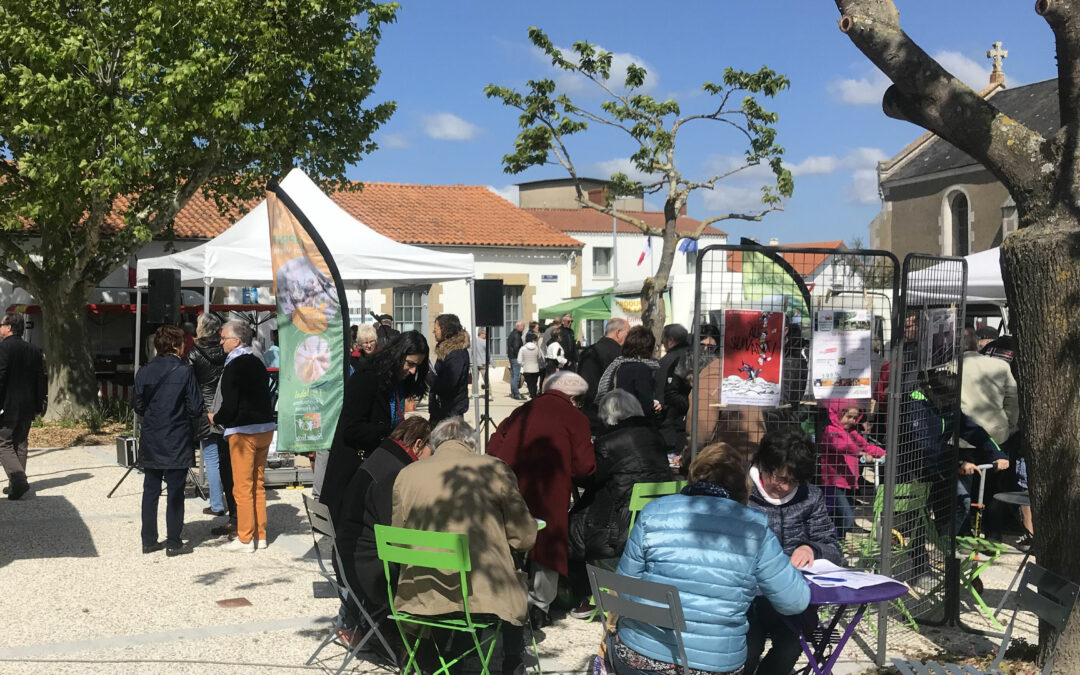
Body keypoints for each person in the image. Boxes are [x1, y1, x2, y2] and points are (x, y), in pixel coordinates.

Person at [614, 442, 810, 675]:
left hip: (641, 654)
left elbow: (624, 589)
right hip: (712, 665)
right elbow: (794, 601)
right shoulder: (755, 529)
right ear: (742, 484)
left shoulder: (653, 513)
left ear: (695, 474)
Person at [392, 417, 537, 675]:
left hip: (420, 593)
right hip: (479, 595)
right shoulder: (495, 469)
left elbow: (398, 538)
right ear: (471, 444)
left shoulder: (407, 475)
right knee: (515, 573)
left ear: (435, 444)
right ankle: (512, 662)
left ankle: (426, 658)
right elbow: (524, 538)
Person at [487, 371, 595, 629]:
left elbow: (493, 448)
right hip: (551, 488)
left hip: (511, 484)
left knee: (510, 539)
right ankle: (539, 606)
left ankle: (505, 596)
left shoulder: (522, 410)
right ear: (573, 397)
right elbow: (585, 468)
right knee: (548, 543)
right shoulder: (575, 417)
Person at [568, 390, 674, 619]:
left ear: (608, 415)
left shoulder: (609, 442)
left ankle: (584, 598)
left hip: (621, 527)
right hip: (656, 521)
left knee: (571, 526)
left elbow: (588, 476)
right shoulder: (654, 435)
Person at [745, 429, 843, 675]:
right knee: (747, 647)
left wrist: (812, 548)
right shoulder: (741, 492)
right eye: (779, 477)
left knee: (792, 645)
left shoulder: (810, 496)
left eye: (793, 481)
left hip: (792, 597)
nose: (785, 486)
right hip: (747, 597)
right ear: (763, 465)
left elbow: (832, 547)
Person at [335, 416, 432, 644]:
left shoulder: (382, 456)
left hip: (347, 556)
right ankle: (420, 644)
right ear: (418, 444)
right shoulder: (394, 473)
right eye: (431, 451)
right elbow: (397, 534)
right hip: (367, 570)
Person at [321, 331, 430, 523]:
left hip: (376, 469)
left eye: (417, 366)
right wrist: (390, 435)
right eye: (410, 364)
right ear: (398, 355)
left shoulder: (395, 382)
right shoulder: (367, 378)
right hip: (354, 470)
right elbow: (351, 428)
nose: (413, 371)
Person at [134, 325, 204, 556]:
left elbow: (138, 406)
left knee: (150, 490)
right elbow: (196, 407)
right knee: (175, 491)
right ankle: (174, 541)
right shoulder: (185, 372)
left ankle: (148, 540)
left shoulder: (144, 371)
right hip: (177, 436)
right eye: (182, 342)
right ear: (176, 345)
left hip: (153, 436)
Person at [213, 320, 276, 552]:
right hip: (265, 428)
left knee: (242, 485)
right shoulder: (258, 362)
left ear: (236, 341)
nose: (220, 342)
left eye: (224, 338)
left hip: (243, 430)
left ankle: (245, 537)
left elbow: (229, 406)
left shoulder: (234, 365)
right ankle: (261, 535)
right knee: (258, 485)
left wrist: (215, 418)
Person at [819, 399, 885, 539]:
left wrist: (883, 453)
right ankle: (833, 541)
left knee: (839, 518)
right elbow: (841, 446)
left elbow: (866, 446)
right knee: (846, 518)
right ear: (838, 414)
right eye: (848, 417)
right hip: (833, 482)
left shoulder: (853, 433)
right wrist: (860, 453)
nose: (852, 421)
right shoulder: (831, 431)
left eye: (855, 418)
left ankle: (838, 543)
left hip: (848, 482)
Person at [0, 312, 47, 500]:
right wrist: (38, 405)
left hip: (7, 405)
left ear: (9, 327)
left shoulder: (4, 349)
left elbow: (0, 378)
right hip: (27, 406)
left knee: (3, 443)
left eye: (1, 324)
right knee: (20, 443)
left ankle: (18, 480)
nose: (0, 328)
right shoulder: (34, 350)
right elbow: (40, 380)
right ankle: (16, 486)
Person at [188, 314, 230, 519]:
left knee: (211, 459)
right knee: (227, 457)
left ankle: (216, 504)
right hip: (225, 404)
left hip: (205, 408)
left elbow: (191, 382)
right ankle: (231, 499)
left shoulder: (194, 352)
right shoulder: (225, 350)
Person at [596, 326, 662, 419]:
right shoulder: (640, 369)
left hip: (613, 419)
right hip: (632, 423)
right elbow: (645, 403)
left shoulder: (618, 364)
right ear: (649, 347)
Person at [655, 324, 692, 453]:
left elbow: (661, 395)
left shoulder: (666, 362)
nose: (663, 344)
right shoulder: (696, 356)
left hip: (671, 425)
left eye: (663, 340)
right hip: (695, 421)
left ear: (670, 340)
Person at [428, 314, 470, 426]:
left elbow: (448, 383)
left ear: (446, 330)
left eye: (435, 329)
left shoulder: (456, 353)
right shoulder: (446, 350)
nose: (433, 332)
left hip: (450, 412)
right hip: (442, 410)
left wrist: (428, 376)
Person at [578, 318, 629, 409]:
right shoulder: (620, 356)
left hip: (587, 408)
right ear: (618, 333)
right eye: (627, 334)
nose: (628, 338)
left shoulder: (588, 351)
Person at [517, 332, 544, 399]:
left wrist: (524, 364)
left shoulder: (522, 348)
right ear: (533, 340)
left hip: (527, 369)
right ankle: (534, 396)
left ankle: (533, 396)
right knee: (534, 384)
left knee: (529, 385)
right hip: (535, 369)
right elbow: (540, 357)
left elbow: (519, 360)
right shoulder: (537, 348)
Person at [507, 320, 526, 400]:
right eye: (523, 326)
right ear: (519, 326)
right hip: (515, 357)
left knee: (513, 376)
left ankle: (513, 393)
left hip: (511, 357)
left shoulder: (513, 333)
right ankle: (516, 394)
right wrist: (520, 357)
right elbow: (516, 347)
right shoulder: (516, 335)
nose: (524, 328)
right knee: (516, 376)